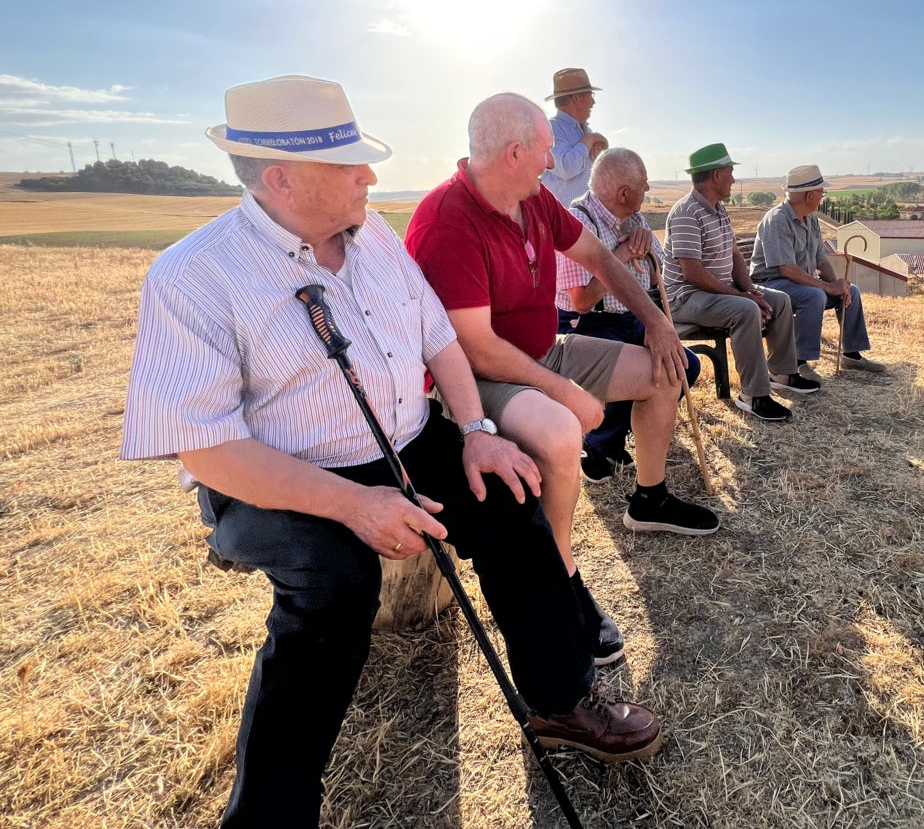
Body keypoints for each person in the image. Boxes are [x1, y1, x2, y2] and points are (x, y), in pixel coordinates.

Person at [120, 76, 661, 829]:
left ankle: (561, 702)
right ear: (281, 178)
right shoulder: (193, 276)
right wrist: (353, 504)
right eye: (348, 163)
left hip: (406, 443)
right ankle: (271, 815)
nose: (369, 176)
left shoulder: (371, 233)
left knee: (512, 498)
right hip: (278, 481)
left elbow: (438, 333)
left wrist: (475, 433)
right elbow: (208, 450)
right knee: (333, 584)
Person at [405, 94, 721, 665]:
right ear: (514, 152)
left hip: (544, 349)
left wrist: (655, 323)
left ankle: (648, 499)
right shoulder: (446, 219)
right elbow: (473, 346)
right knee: (558, 434)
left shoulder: (535, 200)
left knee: (663, 371)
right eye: (547, 152)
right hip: (477, 377)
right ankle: (563, 578)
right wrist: (562, 389)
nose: (553, 164)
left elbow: (600, 258)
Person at [555, 147, 702, 482]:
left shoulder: (634, 219)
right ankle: (598, 442)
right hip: (587, 323)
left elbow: (657, 277)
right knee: (638, 370)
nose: (648, 190)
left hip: (630, 318)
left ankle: (623, 429)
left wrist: (648, 249)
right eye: (644, 184)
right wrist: (620, 255)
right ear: (624, 193)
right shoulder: (576, 222)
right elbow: (582, 300)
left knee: (685, 366)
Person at [662, 143, 816, 422]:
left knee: (779, 300)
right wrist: (742, 298)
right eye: (731, 172)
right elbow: (692, 273)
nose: (734, 179)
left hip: (715, 294)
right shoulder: (686, 212)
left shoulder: (719, 209)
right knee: (745, 310)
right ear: (717, 175)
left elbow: (734, 257)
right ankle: (753, 395)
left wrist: (751, 290)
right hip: (685, 298)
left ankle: (782, 373)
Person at [749, 164, 888, 378]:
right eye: (822, 192)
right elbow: (787, 269)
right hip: (770, 285)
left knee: (853, 291)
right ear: (810, 195)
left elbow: (821, 260)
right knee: (812, 296)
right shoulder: (777, 220)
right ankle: (798, 362)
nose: (823, 196)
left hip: (797, 283)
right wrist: (826, 287)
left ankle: (851, 354)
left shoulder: (811, 219)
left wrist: (838, 286)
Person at [540, 67, 608, 205]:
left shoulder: (586, 130)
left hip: (584, 221)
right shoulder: (551, 128)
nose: (593, 103)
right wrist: (590, 139)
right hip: (561, 222)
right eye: (591, 96)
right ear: (577, 98)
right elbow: (567, 168)